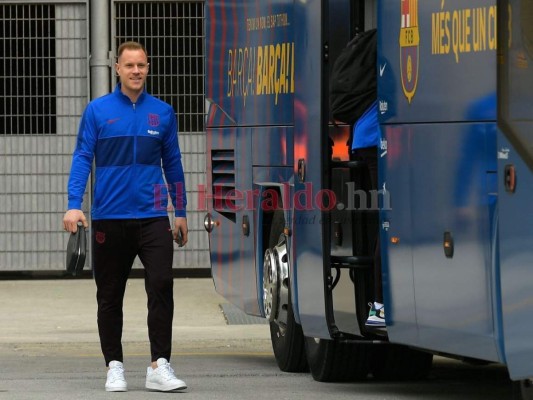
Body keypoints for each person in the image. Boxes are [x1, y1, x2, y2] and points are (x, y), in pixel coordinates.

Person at [63, 41, 188, 392]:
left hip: (152, 217)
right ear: (116, 68)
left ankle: (159, 365)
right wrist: (75, 203)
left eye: (142, 65)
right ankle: (114, 366)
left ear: (148, 68)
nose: (136, 71)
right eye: (129, 65)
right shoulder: (98, 111)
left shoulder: (162, 112)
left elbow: (173, 164)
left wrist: (180, 211)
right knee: (110, 295)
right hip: (109, 218)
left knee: (162, 284)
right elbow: (82, 157)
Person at [350, 100, 385, 328]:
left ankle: (379, 308)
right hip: (375, 138)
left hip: (367, 135)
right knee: (389, 224)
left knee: (384, 223)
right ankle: (379, 308)